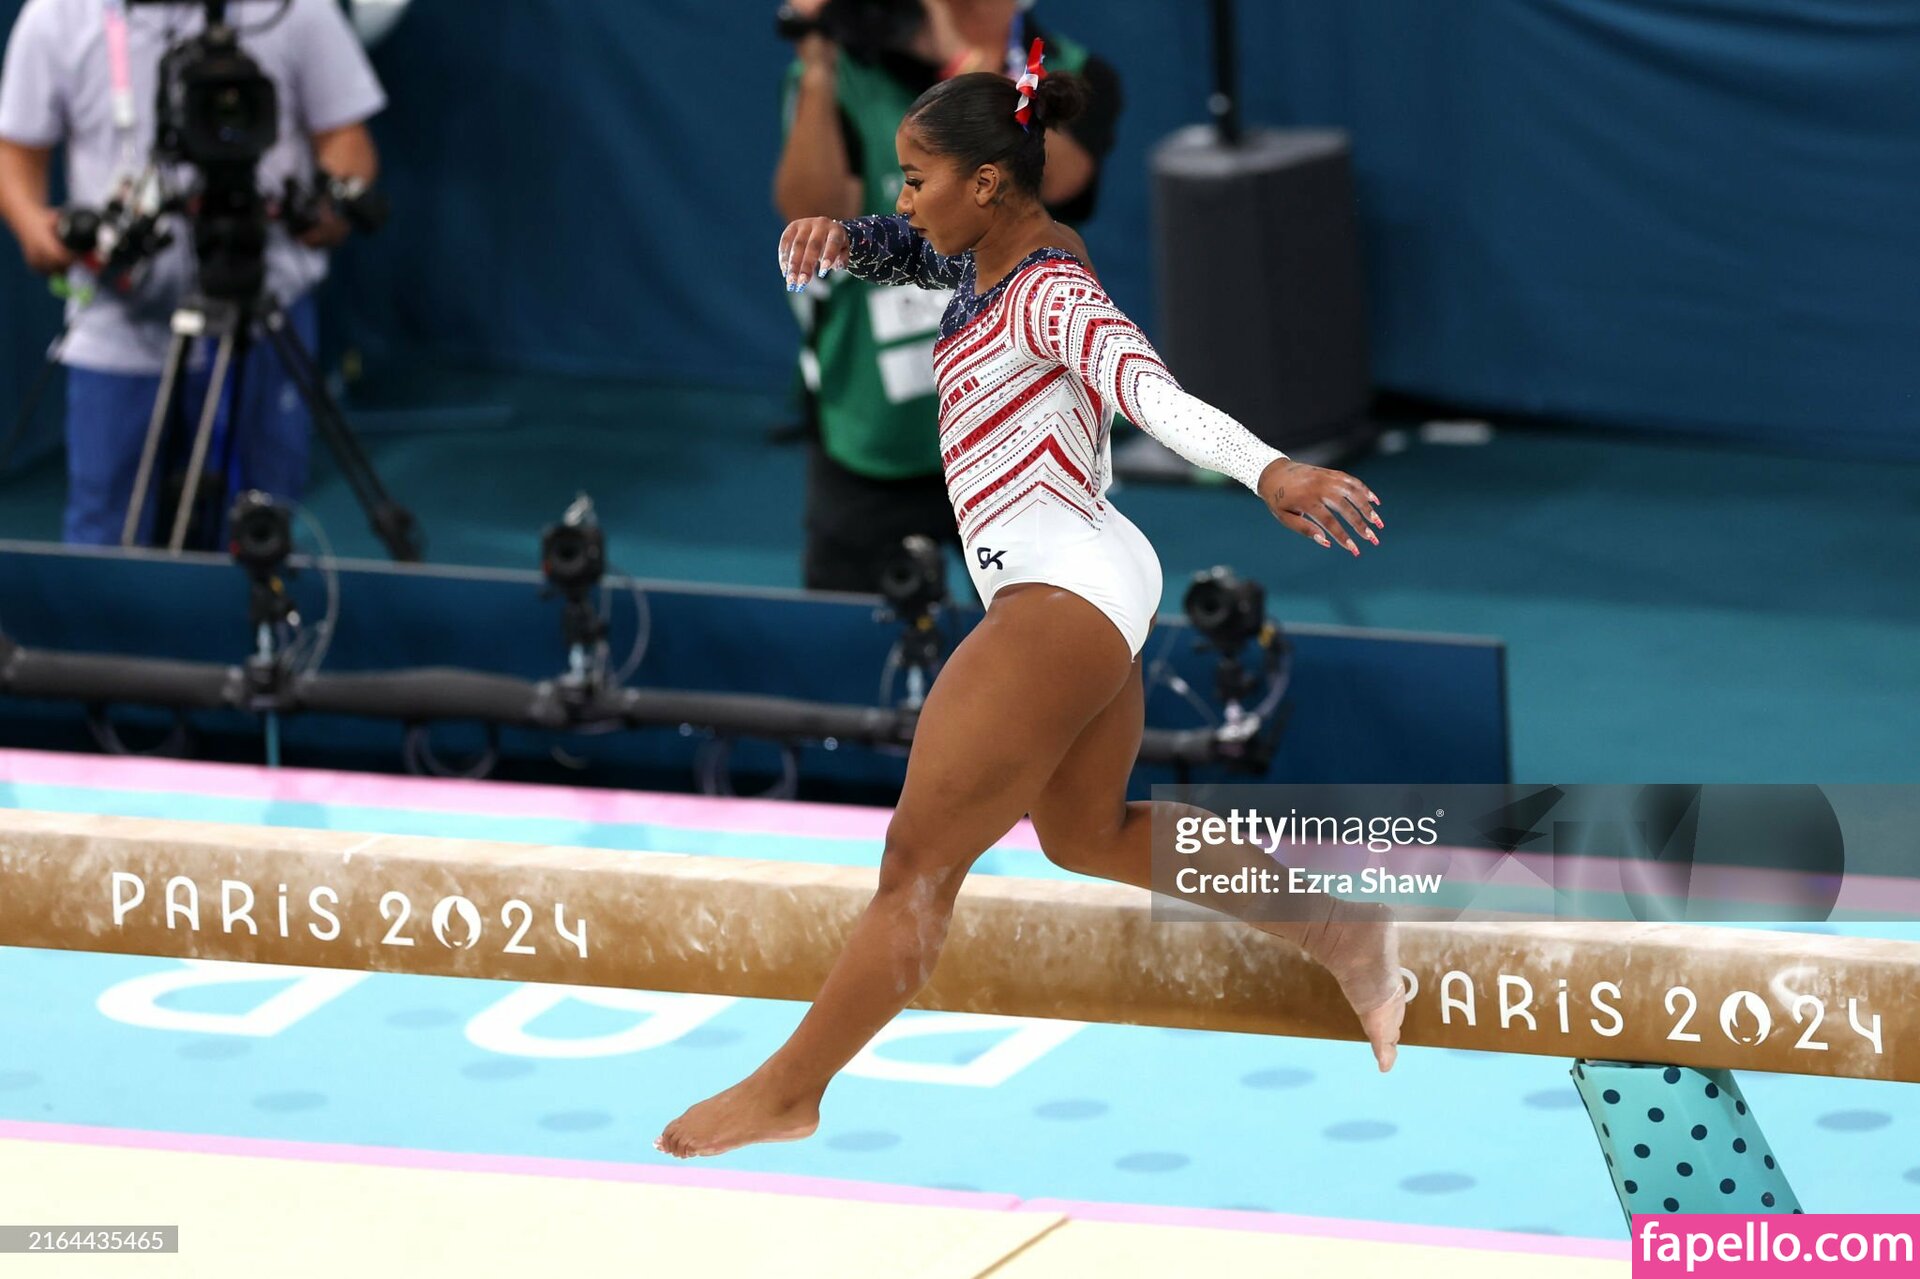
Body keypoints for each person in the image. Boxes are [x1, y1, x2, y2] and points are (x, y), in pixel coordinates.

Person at [658, 53, 1399, 1160]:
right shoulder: (988, 260)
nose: (905, 196)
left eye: (917, 178)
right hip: (1083, 577)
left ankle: (790, 1089)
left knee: (917, 865)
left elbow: (1148, 390)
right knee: (1087, 833)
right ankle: (1341, 930)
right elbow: (904, 247)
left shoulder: (1053, 291)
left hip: (1062, 587)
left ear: (988, 182)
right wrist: (840, 236)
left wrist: (1270, 469)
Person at [0, 0, 384, 545]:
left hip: (264, 313)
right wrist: (33, 226)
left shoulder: (293, 9)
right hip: (120, 325)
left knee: (260, 528)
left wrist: (330, 203)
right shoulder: (58, 15)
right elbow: (15, 148)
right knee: (108, 531)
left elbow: (346, 136)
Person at [775, 0, 1121, 593]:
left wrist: (969, 80)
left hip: (1017, 438)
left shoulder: (1066, 69)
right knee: (854, 632)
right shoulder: (847, 69)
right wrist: (818, 66)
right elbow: (810, 213)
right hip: (875, 431)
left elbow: (1062, 180)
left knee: (1039, 633)